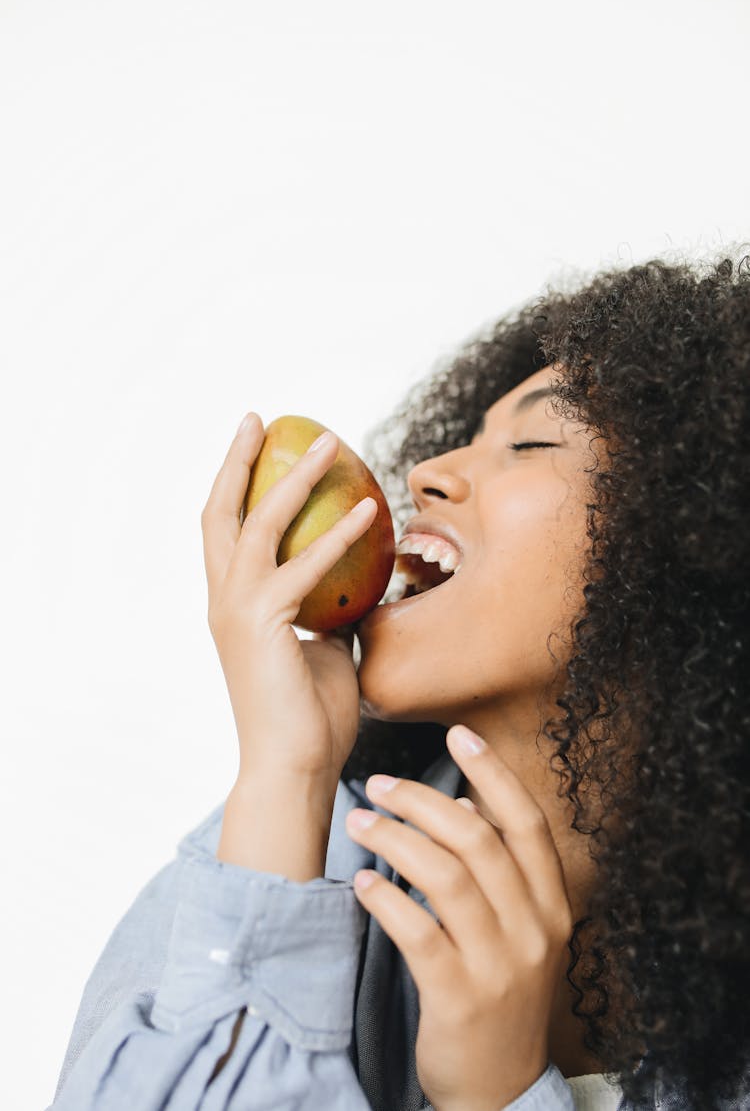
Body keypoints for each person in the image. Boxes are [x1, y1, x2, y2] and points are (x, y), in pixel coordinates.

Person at [49, 250, 750, 1111]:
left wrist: (498, 1094)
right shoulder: (291, 844)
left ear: (694, 549)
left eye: (530, 442)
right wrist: (285, 781)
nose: (424, 474)